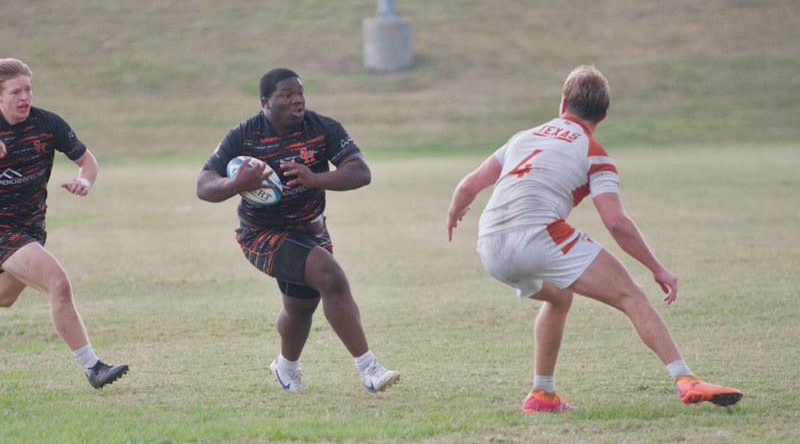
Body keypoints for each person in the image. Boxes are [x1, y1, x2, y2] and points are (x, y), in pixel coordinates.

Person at [446, 65, 742, 412]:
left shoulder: (522, 137)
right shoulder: (595, 154)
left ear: (562, 103)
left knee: (558, 298)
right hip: (540, 237)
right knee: (632, 296)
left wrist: (455, 213)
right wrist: (657, 268)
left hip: (490, 246)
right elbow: (616, 222)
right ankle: (686, 379)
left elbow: (468, 185)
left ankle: (542, 395)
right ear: (604, 114)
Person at [197, 67, 399, 393]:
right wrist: (236, 183)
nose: (297, 100)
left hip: (311, 230)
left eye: (300, 93)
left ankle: (286, 368)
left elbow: (360, 171)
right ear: (266, 102)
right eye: (287, 95)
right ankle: (369, 369)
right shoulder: (244, 136)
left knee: (301, 307)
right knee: (330, 276)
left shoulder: (322, 127)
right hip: (263, 234)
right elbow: (204, 184)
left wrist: (316, 178)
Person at [0, 58, 128, 389]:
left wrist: (84, 181)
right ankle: (93, 367)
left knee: (5, 297)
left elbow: (87, 161)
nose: (24, 97)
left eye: (28, 89)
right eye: (15, 91)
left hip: (32, 227)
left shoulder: (47, 123)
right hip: (4, 229)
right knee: (58, 283)